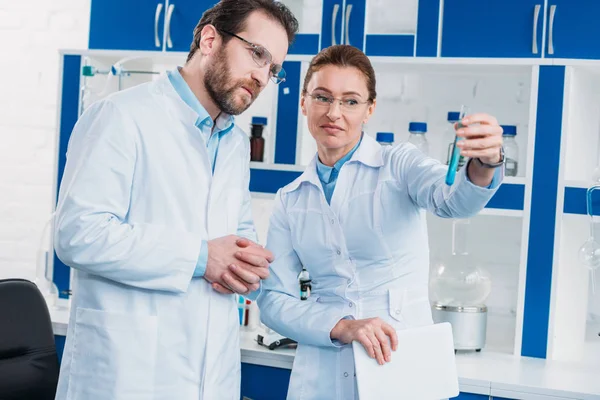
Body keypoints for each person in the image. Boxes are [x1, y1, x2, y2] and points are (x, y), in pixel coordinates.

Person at [52, 1, 298, 399]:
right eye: (257, 54)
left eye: (273, 69)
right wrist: (203, 257)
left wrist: (248, 264)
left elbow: (234, 237)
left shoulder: (234, 143)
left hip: (209, 374)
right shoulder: (121, 116)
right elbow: (78, 233)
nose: (261, 76)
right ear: (210, 39)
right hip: (128, 374)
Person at [256, 45, 505, 400]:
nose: (334, 113)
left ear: (370, 109)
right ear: (303, 102)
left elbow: (452, 201)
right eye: (322, 97)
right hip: (320, 376)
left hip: (399, 368)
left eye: (351, 101)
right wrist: (341, 327)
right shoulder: (290, 198)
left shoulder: (399, 165)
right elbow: (273, 300)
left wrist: (486, 163)